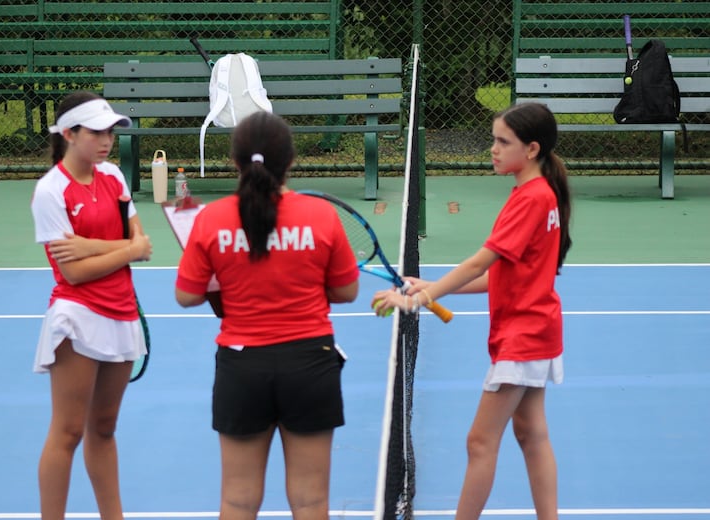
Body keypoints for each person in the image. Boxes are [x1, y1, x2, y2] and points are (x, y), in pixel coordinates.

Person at [372, 102, 572, 520]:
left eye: (503, 142)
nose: (494, 149)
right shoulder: (540, 193)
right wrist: (432, 286)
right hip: (537, 330)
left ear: (532, 149)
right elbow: (505, 275)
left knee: (480, 442)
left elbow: (481, 262)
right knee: (532, 433)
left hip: (523, 336)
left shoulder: (531, 199)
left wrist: (417, 299)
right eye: (494, 140)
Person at [175, 111, 360, 520]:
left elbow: (186, 294)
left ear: (235, 163)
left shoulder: (211, 219)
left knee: (238, 501)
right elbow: (347, 291)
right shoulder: (321, 216)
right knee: (311, 502)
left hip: (242, 368)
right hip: (311, 363)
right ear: (291, 161)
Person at [30, 91, 152, 520]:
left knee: (104, 428)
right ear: (69, 134)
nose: (106, 140)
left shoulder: (115, 178)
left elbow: (144, 245)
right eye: (96, 132)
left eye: (110, 132)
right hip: (76, 317)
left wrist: (89, 246)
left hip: (122, 315)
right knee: (66, 432)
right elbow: (75, 273)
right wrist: (125, 250)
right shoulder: (50, 192)